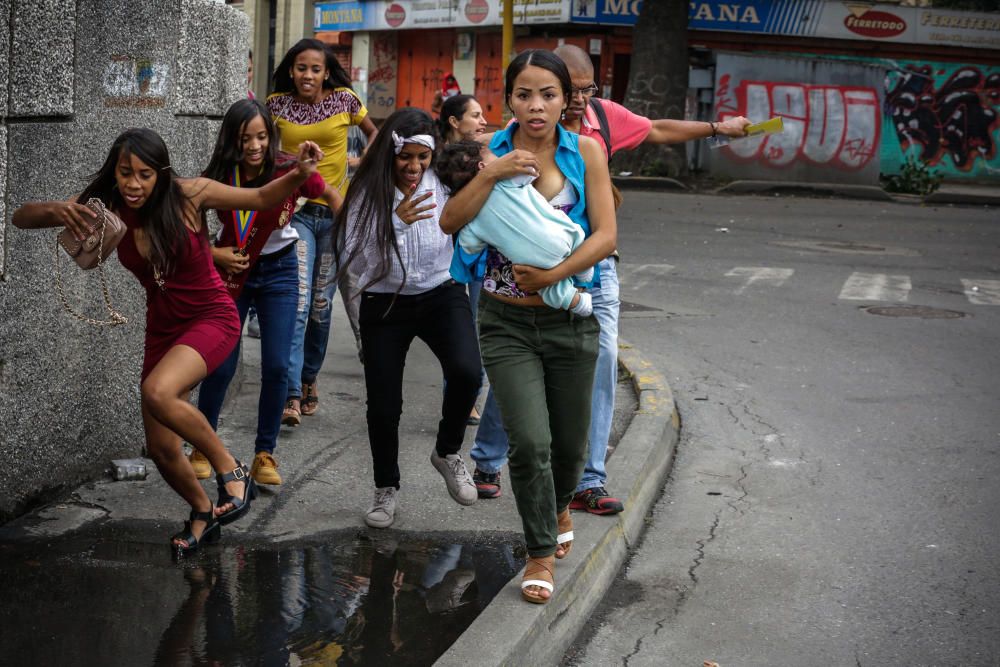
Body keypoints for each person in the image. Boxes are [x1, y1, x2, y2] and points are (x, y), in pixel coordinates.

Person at [11, 128, 323, 555]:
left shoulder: (190, 195)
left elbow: (261, 200)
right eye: (125, 173)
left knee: (157, 391)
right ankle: (201, 512)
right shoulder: (111, 207)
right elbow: (20, 218)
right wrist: (58, 210)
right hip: (162, 329)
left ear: (160, 173)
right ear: (115, 172)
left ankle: (232, 472)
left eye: (144, 174)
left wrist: (299, 174)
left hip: (211, 316)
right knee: (160, 448)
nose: (133, 184)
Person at [467, 45, 751, 511]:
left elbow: (657, 129)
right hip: (519, 279)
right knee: (516, 372)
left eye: (585, 89)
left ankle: (588, 480)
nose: (578, 99)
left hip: (593, 269)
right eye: (569, 90)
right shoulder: (510, 140)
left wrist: (718, 128)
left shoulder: (599, 126)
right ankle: (487, 457)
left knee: (600, 363)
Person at [440, 50, 617, 603]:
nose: (535, 106)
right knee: (530, 443)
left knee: (568, 448)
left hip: (569, 319)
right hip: (504, 321)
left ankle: (559, 503)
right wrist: (492, 171)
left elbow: (606, 236)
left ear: (567, 99)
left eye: (547, 94)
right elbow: (450, 221)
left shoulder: (586, 151)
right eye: (523, 94)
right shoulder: (489, 152)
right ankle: (539, 554)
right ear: (508, 99)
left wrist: (554, 275)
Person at [336, 107, 482, 530]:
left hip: (442, 291)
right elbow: (353, 260)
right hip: (384, 302)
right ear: (389, 154)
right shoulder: (366, 190)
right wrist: (394, 224)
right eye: (406, 157)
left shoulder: (446, 180)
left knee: (468, 372)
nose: (414, 167)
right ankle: (386, 488)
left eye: (422, 157)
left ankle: (448, 451)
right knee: (384, 407)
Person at [191, 99, 342, 488]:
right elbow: (185, 232)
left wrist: (356, 231)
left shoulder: (290, 169)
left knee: (277, 365)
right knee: (221, 364)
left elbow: (330, 195)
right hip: (233, 271)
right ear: (232, 141)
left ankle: (264, 453)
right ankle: (202, 445)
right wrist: (214, 252)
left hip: (280, 271)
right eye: (245, 139)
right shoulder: (219, 175)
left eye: (261, 136)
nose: (255, 146)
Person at [267, 38, 378, 426]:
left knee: (319, 305)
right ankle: (292, 393)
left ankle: (310, 376)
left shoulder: (345, 99)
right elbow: (264, 150)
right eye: (301, 68)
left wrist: (360, 177)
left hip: (336, 217)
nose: (308, 75)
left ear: (326, 72)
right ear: (291, 70)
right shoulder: (276, 105)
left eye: (315, 69)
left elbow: (374, 136)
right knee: (298, 303)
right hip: (295, 214)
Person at [436, 140, 593, 316]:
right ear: (483, 166)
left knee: (553, 291)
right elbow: (531, 173)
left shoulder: (473, 219)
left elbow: (469, 245)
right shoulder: (507, 181)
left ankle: (579, 304)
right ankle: (584, 270)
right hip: (564, 235)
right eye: (495, 156)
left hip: (535, 263)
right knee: (578, 235)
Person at [437, 94, 490, 425]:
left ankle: (469, 395)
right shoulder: (433, 158)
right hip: (443, 254)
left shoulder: (484, 156)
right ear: (455, 122)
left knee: (476, 323)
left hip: (479, 250)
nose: (483, 121)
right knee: (455, 328)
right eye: (475, 115)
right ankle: (458, 394)